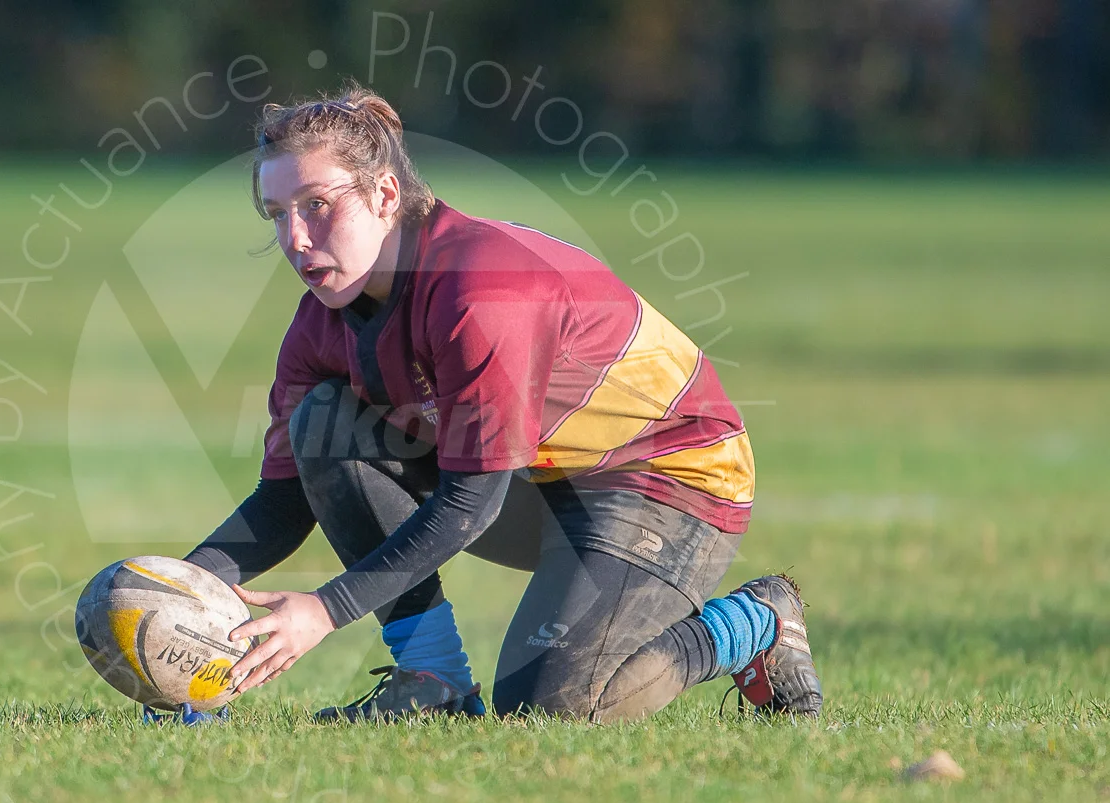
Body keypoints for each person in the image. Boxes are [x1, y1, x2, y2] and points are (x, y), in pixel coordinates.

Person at [183, 84, 821, 723]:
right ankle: (432, 684)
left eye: (317, 204)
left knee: (549, 708)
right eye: (277, 213)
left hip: (668, 481)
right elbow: (285, 498)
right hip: (538, 480)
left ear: (384, 196)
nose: (294, 238)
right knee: (322, 422)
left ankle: (754, 622)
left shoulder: (481, 290)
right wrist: (172, 590)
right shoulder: (321, 322)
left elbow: (471, 501)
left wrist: (324, 610)